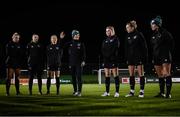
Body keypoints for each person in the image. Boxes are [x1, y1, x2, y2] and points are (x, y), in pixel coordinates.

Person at [150, 16, 174, 98]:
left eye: (152, 24)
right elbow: (154, 47)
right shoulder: (153, 35)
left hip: (165, 55)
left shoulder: (165, 33)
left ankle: (168, 94)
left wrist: (166, 52)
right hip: (156, 57)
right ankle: (162, 93)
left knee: (167, 74)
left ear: (157, 25)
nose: (151, 25)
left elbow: (171, 44)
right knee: (160, 75)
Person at [124, 20, 148, 98]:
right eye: (126, 27)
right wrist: (127, 57)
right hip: (130, 58)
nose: (127, 29)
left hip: (139, 57)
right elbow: (126, 48)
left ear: (132, 27)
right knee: (131, 75)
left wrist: (145, 57)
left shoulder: (139, 34)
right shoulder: (127, 36)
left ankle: (141, 91)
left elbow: (144, 47)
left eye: (128, 27)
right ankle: (132, 91)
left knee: (141, 74)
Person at [62, 30, 86, 96]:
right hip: (71, 63)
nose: (77, 36)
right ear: (73, 36)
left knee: (79, 77)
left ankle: (79, 92)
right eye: (75, 35)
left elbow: (83, 54)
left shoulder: (81, 44)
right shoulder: (69, 43)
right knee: (73, 78)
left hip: (79, 63)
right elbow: (61, 46)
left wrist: (83, 61)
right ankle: (75, 91)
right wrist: (61, 39)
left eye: (78, 35)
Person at [101, 26, 120, 97]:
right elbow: (102, 49)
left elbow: (115, 48)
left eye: (108, 30)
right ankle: (107, 92)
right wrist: (106, 56)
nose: (107, 32)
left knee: (115, 75)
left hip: (113, 59)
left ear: (112, 31)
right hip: (106, 60)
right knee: (107, 76)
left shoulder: (116, 39)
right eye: (106, 31)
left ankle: (117, 92)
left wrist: (109, 55)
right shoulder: (105, 40)